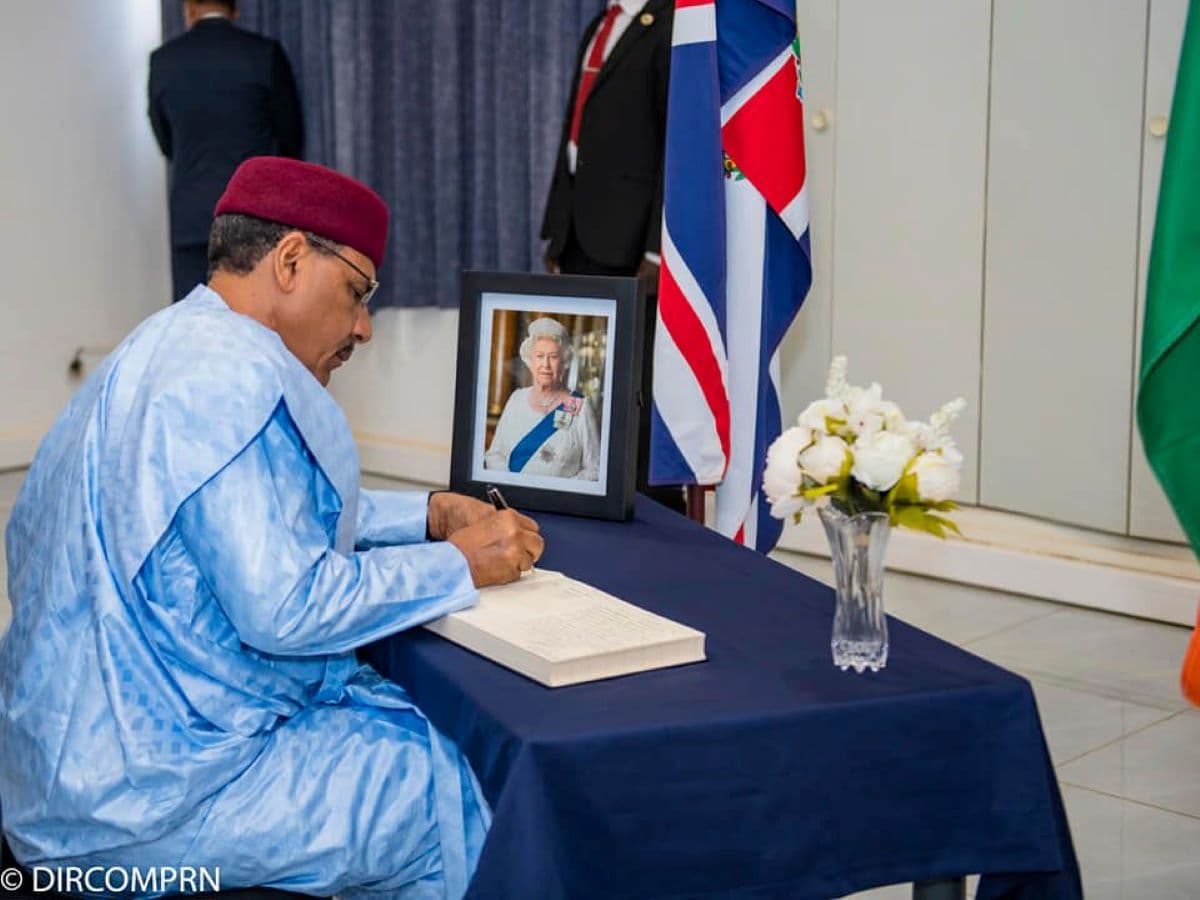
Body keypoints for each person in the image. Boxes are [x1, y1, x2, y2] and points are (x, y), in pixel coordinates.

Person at [0, 157, 544, 897]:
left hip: (58, 776)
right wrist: (457, 567)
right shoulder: (229, 373)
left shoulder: (166, 341)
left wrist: (422, 514)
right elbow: (286, 606)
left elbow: (245, 512)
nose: (362, 327)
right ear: (290, 259)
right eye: (356, 290)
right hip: (140, 810)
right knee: (435, 786)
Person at [540, 0, 684, 511]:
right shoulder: (600, 25)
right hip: (584, 234)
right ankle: (586, 489)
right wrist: (558, 229)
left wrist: (657, 249)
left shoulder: (669, 24)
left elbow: (677, 143)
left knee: (638, 389)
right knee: (586, 383)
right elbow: (572, 140)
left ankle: (647, 507)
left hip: (633, 246)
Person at [148, 0, 303, 302]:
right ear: (236, 9)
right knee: (258, 319)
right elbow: (290, 138)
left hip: (191, 214)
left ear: (189, 9)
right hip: (255, 212)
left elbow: (165, 140)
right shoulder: (264, 54)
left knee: (192, 317)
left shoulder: (163, 60)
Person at [484, 317, 600, 480]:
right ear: (530, 361)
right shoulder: (516, 399)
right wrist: (513, 483)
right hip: (514, 500)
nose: (545, 364)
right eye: (539, 356)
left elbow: (594, 470)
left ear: (564, 362)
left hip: (560, 504)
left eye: (553, 357)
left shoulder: (581, 406)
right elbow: (494, 455)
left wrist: (559, 491)